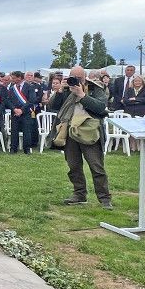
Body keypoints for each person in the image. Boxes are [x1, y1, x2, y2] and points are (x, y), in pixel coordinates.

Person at [49, 66, 112, 209]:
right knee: (74, 166)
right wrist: (59, 92)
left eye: (79, 78)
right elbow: (53, 106)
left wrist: (82, 95)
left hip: (89, 132)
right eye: (73, 78)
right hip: (70, 131)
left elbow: (101, 108)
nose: (76, 81)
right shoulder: (66, 90)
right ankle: (79, 194)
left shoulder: (95, 88)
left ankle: (104, 198)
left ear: (85, 77)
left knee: (96, 166)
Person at [6, 71, 36, 154]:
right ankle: (13, 148)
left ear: (19, 78)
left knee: (27, 131)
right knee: (14, 131)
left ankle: (27, 149)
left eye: (14, 78)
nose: (12, 79)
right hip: (15, 113)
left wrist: (22, 110)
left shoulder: (29, 87)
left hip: (26, 113)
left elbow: (32, 100)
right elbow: (8, 100)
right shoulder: (12, 88)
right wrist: (14, 109)